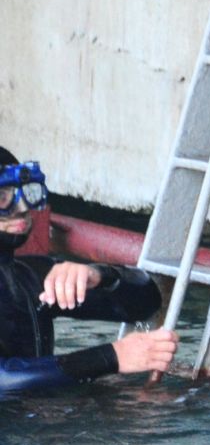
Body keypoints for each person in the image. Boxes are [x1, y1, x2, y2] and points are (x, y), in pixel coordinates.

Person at [0, 150, 178, 395]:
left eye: (26, 193)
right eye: (2, 198)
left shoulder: (32, 276)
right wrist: (112, 357)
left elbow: (148, 301)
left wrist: (99, 276)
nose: (21, 208)